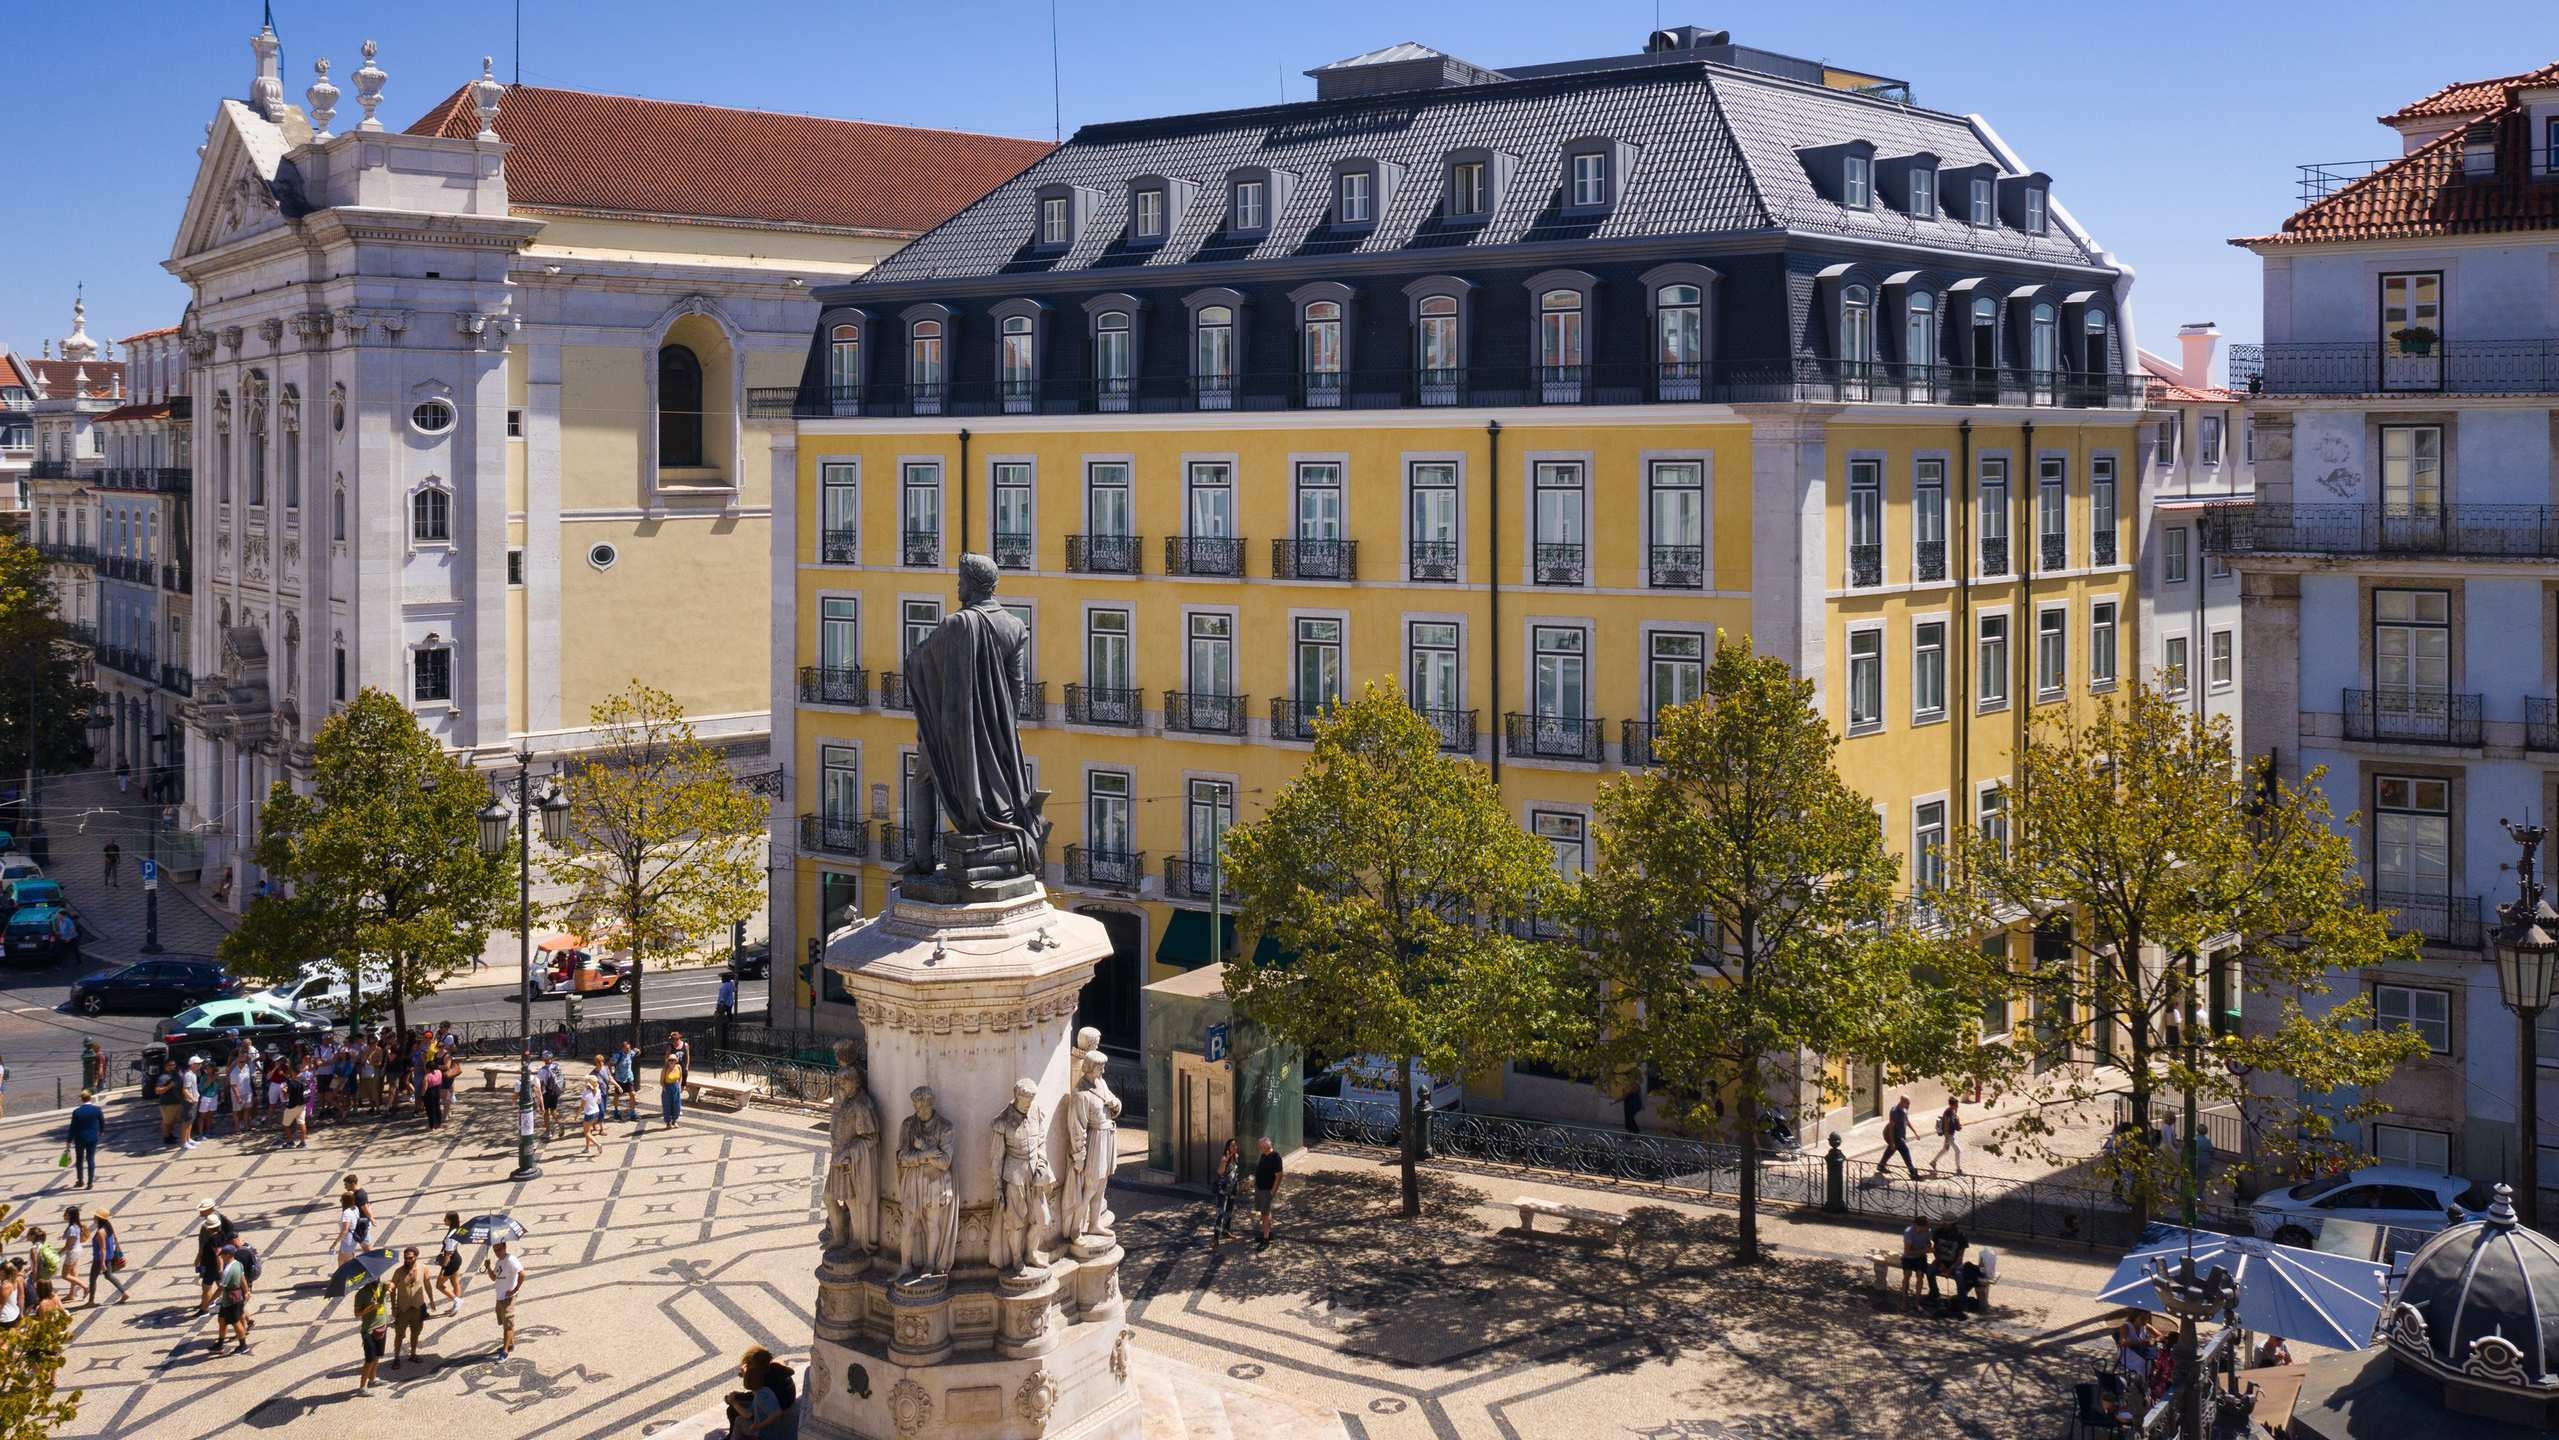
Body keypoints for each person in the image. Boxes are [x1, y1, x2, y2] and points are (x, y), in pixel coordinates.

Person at [484, 1238, 524, 1358]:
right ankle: (510, 1344)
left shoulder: (511, 1260)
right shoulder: (499, 1262)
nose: (497, 1252)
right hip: (500, 1297)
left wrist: (515, 1289)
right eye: (495, 1250)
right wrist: (488, 1267)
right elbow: (493, 1278)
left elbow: (522, 1274)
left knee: (508, 1325)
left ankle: (505, 1351)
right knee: (504, 1322)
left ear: (505, 1247)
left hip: (509, 1298)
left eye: (499, 1249)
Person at [389, 1247, 430, 1362]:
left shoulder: (423, 1268)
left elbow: (427, 1284)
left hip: (417, 1307)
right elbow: (392, 1289)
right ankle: (396, 1358)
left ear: (416, 1257)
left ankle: (413, 1354)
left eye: (410, 1258)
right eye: (406, 1258)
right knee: (399, 1335)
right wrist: (393, 1307)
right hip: (403, 1309)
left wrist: (431, 1300)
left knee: (415, 1333)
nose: (407, 1260)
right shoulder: (399, 1271)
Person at [193, 1201, 236, 1313]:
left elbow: (217, 1253)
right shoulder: (219, 1229)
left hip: (211, 1264)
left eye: (202, 1209)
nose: (200, 1212)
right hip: (215, 1264)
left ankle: (205, 1308)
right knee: (221, 1285)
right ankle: (209, 1302)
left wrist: (220, 1268)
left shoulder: (213, 1236)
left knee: (206, 1287)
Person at [353, 1274, 390, 1391]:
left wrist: (390, 1286)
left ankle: (373, 1379)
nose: (377, 1279)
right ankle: (362, 1387)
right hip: (369, 1330)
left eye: (377, 1277)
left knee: (378, 1356)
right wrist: (370, 1308)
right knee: (369, 1359)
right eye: (374, 1278)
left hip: (382, 1326)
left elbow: (392, 1284)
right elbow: (357, 1314)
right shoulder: (361, 1294)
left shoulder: (381, 1285)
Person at [85, 1210, 131, 1305]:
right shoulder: (108, 1228)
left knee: (93, 1279)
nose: (93, 1217)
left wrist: (102, 1263)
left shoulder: (101, 1232)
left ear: (99, 1218)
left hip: (100, 1259)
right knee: (108, 1276)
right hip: (109, 1257)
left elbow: (103, 1249)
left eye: (95, 1216)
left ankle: (90, 1301)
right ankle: (124, 1292)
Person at [215, 1243, 252, 1353]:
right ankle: (220, 1344)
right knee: (221, 1320)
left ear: (228, 1255)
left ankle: (243, 1345)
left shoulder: (228, 1270)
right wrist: (246, 1291)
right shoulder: (238, 1264)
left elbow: (220, 1289)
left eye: (223, 1255)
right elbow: (243, 1279)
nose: (221, 1257)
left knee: (236, 1323)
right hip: (233, 1298)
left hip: (231, 1300)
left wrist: (209, 1301)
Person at [64, 1089, 103, 1189]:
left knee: (79, 1160)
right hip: (92, 1138)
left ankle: (80, 1180)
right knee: (90, 1159)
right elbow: (102, 1122)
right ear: (90, 1097)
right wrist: (101, 1132)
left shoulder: (76, 1112)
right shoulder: (97, 1109)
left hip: (80, 1138)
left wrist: (68, 1141)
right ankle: (90, 1182)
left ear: (82, 1099)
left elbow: (72, 1127)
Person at [1876, 1096, 1919, 1180]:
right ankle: (1912, 1172)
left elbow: (1907, 1121)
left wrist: (1915, 1132)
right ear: (1902, 1102)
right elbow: (1891, 1127)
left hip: (1901, 1136)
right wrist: (1892, 1141)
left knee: (1891, 1150)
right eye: (1907, 1103)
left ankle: (1881, 1165)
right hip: (1895, 1136)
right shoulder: (1895, 1111)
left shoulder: (1904, 1110)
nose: (1909, 1105)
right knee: (1905, 1152)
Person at [1210, 1137, 1244, 1246]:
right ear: (1228, 1148)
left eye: (1235, 1145)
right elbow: (1220, 1172)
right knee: (1220, 1213)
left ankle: (1226, 1232)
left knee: (1229, 1212)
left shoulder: (1237, 1157)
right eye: (1232, 1145)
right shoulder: (1225, 1158)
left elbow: (1235, 1173)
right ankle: (1216, 1238)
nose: (1235, 1147)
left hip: (1232, 1190)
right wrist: (1225, 1160)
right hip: (1223, 1190)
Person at [1927, 1219, 1969, 1303]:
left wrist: (1950, 1269)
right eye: (1943, 1222)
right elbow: (1936, 1251)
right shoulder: (1938, 1232)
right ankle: (1934, 1293)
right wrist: (1941, 1264)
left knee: (1959, 1276)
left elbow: (1960, 1257)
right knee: (1929, 1271)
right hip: (1941, 1261)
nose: (1943, 1224)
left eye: (1946, 1223)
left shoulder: (1961, 1235)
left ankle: (1962, 1300)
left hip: (1955, 1263)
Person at [1252, 1135, 1282, 1248]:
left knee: (1265, 1214)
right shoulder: (1264, 1155)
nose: (1259, 1148)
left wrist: (1272, 1192)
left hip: (1267, 1190)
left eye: (1260, 1147)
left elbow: (1279, 1176)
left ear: (1266, 1146)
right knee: (1264, 1213)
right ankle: (1268, 1234)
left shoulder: (1275, 1157)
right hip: (1260, 1189)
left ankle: (1266, 1239)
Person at [436, 1212, 468, 1315]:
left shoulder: (450, 1235)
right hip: (457, 1259)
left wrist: (443, 1268)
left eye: (445, 1219)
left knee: (439, 1285)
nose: (444, 1220)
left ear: (450, 1220)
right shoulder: (456, 1230)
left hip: (451, 1261)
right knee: (455, 1283)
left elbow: (448, 1253)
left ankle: (457, 1301)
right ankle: (456, 1307)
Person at [1930, 1099, 1965, 1176]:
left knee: (1945, 1149)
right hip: (1949, 1135)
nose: (1957, 1106)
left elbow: (1955, 1121)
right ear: (1952, 1105)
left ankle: (1933, 1161)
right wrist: (1946, 1139)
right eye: (1956, 1105)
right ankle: (1958, 1169)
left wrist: (1956, 1114)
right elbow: (1946, 1126)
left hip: (1951, 1134)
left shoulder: (1952, 1111)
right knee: (1958, 1150)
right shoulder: (1947, 1113)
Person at [1899, 1218, 1931, 1299]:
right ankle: (1904, 1297)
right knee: (1907, 1274)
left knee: (1920, 1275)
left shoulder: (1927, 1231)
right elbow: (1907, 1251)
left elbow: (1928, 1242)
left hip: (1920, 1257)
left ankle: (1917, 1300)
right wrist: (1924, 1251)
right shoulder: (1909, 1232)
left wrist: (1928, 1246)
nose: (1928, 1228)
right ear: (1920, 1226)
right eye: (1926, 1226)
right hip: (1909, 1257)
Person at [580, 1058, 607, 1156]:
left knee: (586, 1132)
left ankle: (598, 1144)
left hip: (589, 1114)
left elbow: (581, 1106)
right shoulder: (598, 1090)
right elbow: (599, 1101)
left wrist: (577, 1114)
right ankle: (587, 1148)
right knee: (589, 1130)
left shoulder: (586, 1093)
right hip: (596, 1112)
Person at [155, 1056, 183, 1145]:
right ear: (165, 1066)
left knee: (173, 1121)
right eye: (170, 1065)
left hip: (177, 1101)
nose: (173, 1066)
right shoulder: (163, 1077)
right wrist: (169, 1086)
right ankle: (166, 1137)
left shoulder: (176, 1074)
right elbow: (157, 1091)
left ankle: (170, 1134)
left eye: (174, 1064)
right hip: (167, 1104)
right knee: (167, 1122)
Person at [660, 1040, 687, 1130]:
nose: (671, 1062)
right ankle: (668, 1122)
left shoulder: (678, 1067)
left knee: (676, 1105)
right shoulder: (665, 1069)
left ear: (676, 1061)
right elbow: (661, 1081)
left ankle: (674, 1121)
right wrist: (664, 1088)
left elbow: (680, 1077)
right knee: (667, 1105)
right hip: (667, 1087)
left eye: (673, 1060)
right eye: (670, 1060)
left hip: (675, 1087)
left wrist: (679, 1085)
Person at [178, 1057, 203, 1150]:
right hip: (189, 1102)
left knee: (190, 1121)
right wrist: (191, 1098)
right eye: (197, 1063)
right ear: (192, 1064)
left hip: (193, 1100)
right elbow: (185, 1089)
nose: (199, 1065)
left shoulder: (193, 1074)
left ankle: (188, 1139)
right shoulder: (188, 1075)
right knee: (186, 1122)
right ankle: (184, 1142)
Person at [613, 1041, 640, 1123]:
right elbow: (609, 1064)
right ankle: (616, 1111)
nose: (628, 1050)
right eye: (626, 1048)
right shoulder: (618, 1056)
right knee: (617, 1095)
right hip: (620, 1079)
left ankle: (632, 1113)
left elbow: (637, 1052)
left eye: (629, 1048)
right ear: (622, 1048)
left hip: (629, 1078)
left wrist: (637, 1051)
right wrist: (611, 1074)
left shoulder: (630, 1053)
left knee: (633, 1094)